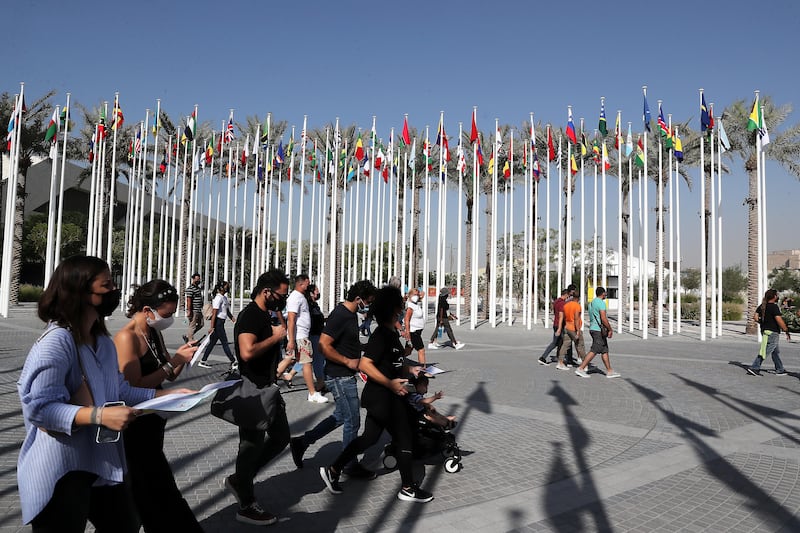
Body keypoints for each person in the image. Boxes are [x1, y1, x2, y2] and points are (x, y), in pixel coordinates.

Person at [17, 256, 191, 532]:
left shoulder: (102, 342)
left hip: (101, 462)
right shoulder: (57, 342)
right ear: (80, 291)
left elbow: (119, 390)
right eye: (107, 285)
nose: (115, 290)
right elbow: (39, 408)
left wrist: (164, 396)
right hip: (62, 467)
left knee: (125, 525)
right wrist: (99, 415)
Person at [319, 285, 434, 503]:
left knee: (369, 438)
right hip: (384, 397)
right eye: (400, 305)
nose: (402, 308)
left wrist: (410, 370)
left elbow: (391, 364)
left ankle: (334, 469)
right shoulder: (381, 334)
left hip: (384, 396)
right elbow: (365, 364)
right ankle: (408, 487)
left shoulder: (391, 334)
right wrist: (390, 383)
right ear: (392, 309)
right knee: (404, 437)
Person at [113, 280, 203, 532]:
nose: (169, 319)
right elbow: (133, 387)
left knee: (149, 495)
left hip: (154, 424)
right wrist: (173, 362)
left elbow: (170, 374)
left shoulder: (154, 332)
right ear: (146, 310)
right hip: (135, 429)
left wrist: (184, 357)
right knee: (156, 492)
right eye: (166, 314)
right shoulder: (126, 337)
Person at [289, 280, 377, 476]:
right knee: (353, 421)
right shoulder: (341, 315)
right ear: (358, 298)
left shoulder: (351, 314)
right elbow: (323, 345)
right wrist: (347, 361)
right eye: (368, 301)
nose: (368, 305)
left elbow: (345, 343)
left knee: (340, 416)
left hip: (344, 375)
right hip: (339, 376)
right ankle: (348, 464)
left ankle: (301, 442)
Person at [224, 269, 290, 526]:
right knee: (250, 446)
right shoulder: (251, 315)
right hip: (253, 391)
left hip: (268, 389)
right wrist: (275, 337)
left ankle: (241, 479)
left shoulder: (266, 314)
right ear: (266, 292)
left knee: (281, 437)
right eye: (280, 295)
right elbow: (247, 352)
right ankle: (246, 502)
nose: (282, 300)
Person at [286, 274, 328, 403]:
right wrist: (291, 340)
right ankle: (312, 393)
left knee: (296, 361)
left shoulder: (300, 297)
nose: (308, 285)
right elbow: (291, 319)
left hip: (303, 335)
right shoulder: (295, 298)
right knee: (306, 363)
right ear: (301, 283)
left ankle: (278, 378)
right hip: (301, 336)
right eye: (307, 283)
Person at [575, 287, 620, 379]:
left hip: (593, 328)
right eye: (605, 293)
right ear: (603, 293)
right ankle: (581, 368)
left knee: (604, 350)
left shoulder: (592, 303)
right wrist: (610, 329)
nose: (606, 295)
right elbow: (603, 318)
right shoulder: (601, 303)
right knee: (594, 349)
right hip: (598, 330)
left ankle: (609, 371)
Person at [747, 289, 790, 376]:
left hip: (764, 331)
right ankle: (755, 367)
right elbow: (779, 320)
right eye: (777, 295)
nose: (777, 297)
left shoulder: (762, 306)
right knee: (766, 350)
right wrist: (786, 330)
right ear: (774, 297)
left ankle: (780, 369)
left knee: (775, 351)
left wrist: (763, 322)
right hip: (772, 333)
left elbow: (755, 317)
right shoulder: (774, 307)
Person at [197, 280, 236, 369]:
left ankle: (203, 360)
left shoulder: (224, 298)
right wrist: (212, 327)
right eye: (226, 286)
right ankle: (233, 361)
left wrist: (233, 319)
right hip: (218, 323)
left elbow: (227, 311)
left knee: (212, 343)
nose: (228, 287)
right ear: (221, 288)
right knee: (224, 342)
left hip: (221, 322)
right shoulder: (218, 298)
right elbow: (214, 313)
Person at [539, 287, 571, 366]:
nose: (568, 298)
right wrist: (560, 328)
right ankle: (543, 358)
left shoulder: (556, 301)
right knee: (557, 343)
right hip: (559, 325)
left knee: (559, 342)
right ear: (566, 295)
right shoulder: (562, 303)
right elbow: (561, 316)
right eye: (568, 296)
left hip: (555, 324)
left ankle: (559, 358)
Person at [307, 283, 327, 392]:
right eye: (316, 291)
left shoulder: (315, 305)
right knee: (317, 360)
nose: (318, 292)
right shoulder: (309, 306)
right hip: (313, 334)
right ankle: (320, 382)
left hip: (318, 333)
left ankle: (321, 381)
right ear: (311, 293)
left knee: (318, 359)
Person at [557, 293, 585, 370]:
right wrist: (578, 330)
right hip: (574, 328)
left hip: (567, 327)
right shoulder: (577, 306)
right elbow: (576, 318)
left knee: (565, 345)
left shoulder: (566, 305)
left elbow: (565, 316)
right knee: (580, 345)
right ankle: (585, 364)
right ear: (578, 298)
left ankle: (560, 362)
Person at [404, 288, 428, 365]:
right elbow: (406, 320)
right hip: (413, 332)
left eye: (417, 295)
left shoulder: (415, 304)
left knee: (408, 351)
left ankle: (396, 360)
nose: (416, 296)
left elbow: (422, 295)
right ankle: (423, 370)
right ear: (410, 295)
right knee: (421, 350)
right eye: (414, 295)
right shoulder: (410, 306)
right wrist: (407, 333)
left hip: (417, 331)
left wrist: (419, 295)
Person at [184, 273, 204, 343]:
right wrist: (189, 311)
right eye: (197, 279)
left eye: (199, 279)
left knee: (201, 324)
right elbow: (189, 300)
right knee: (192, 325)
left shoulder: (198, 288)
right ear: (193, 279)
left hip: (199, 310)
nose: (198, 281)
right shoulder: (190, 289)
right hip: (193, 310)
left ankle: (188, 336)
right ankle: (190, 339)